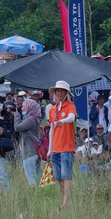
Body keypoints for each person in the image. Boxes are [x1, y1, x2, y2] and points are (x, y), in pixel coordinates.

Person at [48, 80, 76, 210]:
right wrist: (49, 149)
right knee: (59, 177)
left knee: (66, 175)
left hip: (67, 147)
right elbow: (51, 131)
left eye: (62, 90)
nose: (59, 93)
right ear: (55, 92)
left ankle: (65, 203)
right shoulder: (52, 110)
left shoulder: (70, 106)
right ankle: (64, 200)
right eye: (57, 90)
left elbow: (71, 118)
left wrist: (62, 121)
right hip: (56, 147)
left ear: (66, 93)